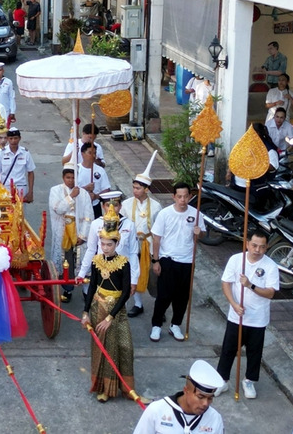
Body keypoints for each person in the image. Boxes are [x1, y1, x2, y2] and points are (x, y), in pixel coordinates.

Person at [81, 205, 138, 403]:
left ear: (116, 244)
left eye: (109, 245)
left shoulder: (124, 263)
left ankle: (128, 388)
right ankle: (104, 389)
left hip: (116, 311)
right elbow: (93, 287)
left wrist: (110, 317)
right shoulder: (97, 261)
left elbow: (124, 295)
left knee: (125, 347)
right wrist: (85, 312)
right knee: (105, 350)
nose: (105, 248)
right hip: (99, 307)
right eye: (103, 244)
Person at [214, 230, 279, 400]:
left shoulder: (270, 266)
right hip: (237, 316)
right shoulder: (236, 260)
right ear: (247, 243)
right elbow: (226, 283)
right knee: (228, 349)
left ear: (266, 247)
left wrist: (250, 286)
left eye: (262, 247)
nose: (257, 250)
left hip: (258, 318)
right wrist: (234, 304)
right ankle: (222, 379)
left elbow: (271, 293)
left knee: (254, 352)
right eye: (254, 245)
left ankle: (249, 380)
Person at [150, 183, 205, 343]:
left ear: (189, 197)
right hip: (168, 259)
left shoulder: (196, 214)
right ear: (174, 197)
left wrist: (198, 232)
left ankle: (176, 324)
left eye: (185, 196)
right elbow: (156, 238)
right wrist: (156, 260)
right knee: (164, 295)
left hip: (187, 260)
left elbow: (200, 236)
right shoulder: (164, 214)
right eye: (179, 196)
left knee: (182, 296)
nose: (182, 200)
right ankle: (156, 324)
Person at [132, 360, 226, 434]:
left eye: (210, 398)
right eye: (200, 397)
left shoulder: (214, 419)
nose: (206, 403)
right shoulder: (156, 411)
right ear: (186, 390)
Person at [120, 152, 162, 318]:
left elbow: (159, 230)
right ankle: (138, 304)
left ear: (147, 189)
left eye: (138, 188)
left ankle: (160, 305)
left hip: (149, 244)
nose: (134, 191)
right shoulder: (126, 204)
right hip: (132, 245)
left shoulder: (157, 206)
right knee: (133, 273)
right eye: (134, 187)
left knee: (154, 277)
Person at [48, 163, 92, 303]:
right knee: (66, 261)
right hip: (63, 232)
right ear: (63, 177)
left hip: (79, 232)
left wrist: (83, 235)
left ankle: (86, 290)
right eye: (68, 177)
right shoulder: (55, 191)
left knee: (83, 261)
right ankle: (67, 289)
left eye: (73, 178)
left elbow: (88, 216)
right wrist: (71, 197)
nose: (71, 180)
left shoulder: (84, 194)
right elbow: (58, 209)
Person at [0, 128, 35, 203]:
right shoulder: (0, 153)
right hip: (5, 188)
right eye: (11, 138)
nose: (13, 141)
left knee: (20, 212)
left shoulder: (25, 153)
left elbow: (30, 172)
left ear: (20, 138)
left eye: (15, 138)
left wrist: (30, 192)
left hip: (21, 187)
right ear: (8, 139)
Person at [76, 143, 111, 218]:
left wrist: (96, 196)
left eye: (94, 153)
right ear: (82, 154)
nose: (93, 156)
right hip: (79, 205)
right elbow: (71, 189)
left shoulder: (100, 170)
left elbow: (106, 189)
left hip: (95, 206)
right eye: (90, 153)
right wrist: (85, 189)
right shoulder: (76, 169)